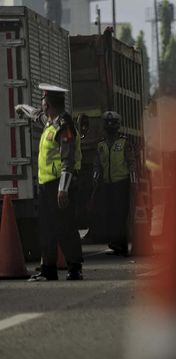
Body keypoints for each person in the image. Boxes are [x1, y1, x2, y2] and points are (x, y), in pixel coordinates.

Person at [15, 84, 83, 281]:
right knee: (47, 228)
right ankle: (49, 270)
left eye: (43, 100)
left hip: (59, 185)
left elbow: (68, 159)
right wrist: (22, 107)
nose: (41, 104)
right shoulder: (51, 122)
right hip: (46, 185)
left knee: (65, 227)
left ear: (48, 103)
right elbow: (36, 115)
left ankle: (74, 268)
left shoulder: (64, 125)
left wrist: (63, 189)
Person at [93, 111, 136, 256]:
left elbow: (131, 163)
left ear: (118, 125)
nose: (110, 126)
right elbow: (97, 164)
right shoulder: (101, 145)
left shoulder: (124, 142)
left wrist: (134, 183)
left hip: (121, 183)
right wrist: (95, 179)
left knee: (121, 215)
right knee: (109, 214)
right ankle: (115, 243)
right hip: (107, 184)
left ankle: (122, 245)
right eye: (107, 123)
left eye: (113, 123)